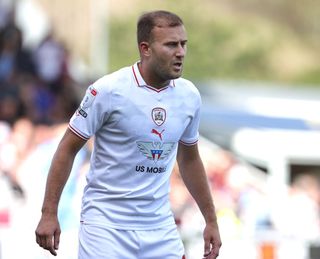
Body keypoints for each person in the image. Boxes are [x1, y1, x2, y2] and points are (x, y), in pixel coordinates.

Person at [35, 10, 221, 259]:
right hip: (106, 228)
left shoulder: (189, 96)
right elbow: (67, 149)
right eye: (171, 45)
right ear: (146, 49)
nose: (180, 52)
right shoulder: (108, 90)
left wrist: (211, 220)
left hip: (159, 228)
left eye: (183, 44)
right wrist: (49, 213)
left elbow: (189, 159)